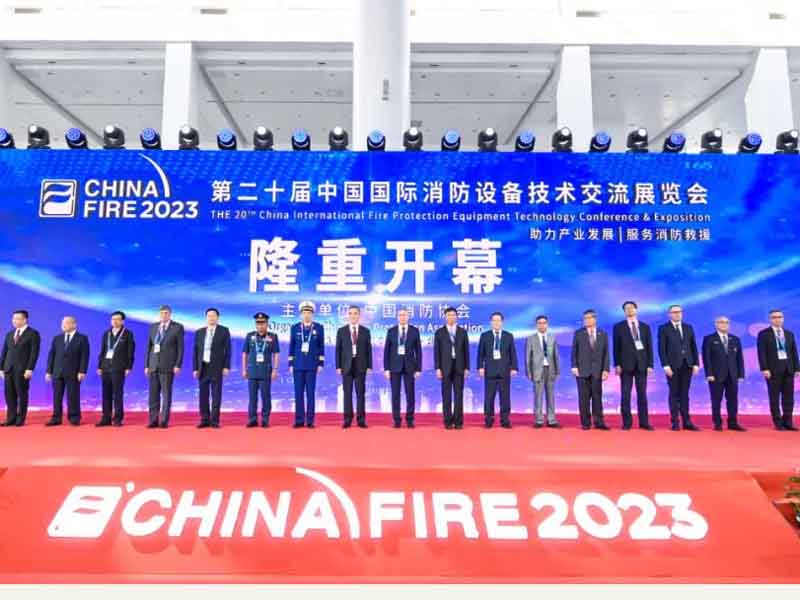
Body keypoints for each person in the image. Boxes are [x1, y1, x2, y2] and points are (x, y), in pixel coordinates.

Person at [612, 301, 654, 430]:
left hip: (642, 365)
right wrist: (617, 364)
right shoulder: (618, 327)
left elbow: (649, 347)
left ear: (636, 309)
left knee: (642, 395)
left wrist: (650, 364)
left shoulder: (645, 327)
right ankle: (627, 423)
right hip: (625, 366)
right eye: (626, 308)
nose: (629, 310)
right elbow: (616, 347)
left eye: (631, 308)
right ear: (624, 312)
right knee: (625, 395)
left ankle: (644, 422)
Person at [657, 304, 700, 431]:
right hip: (672, 366)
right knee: (674, 393)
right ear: (669, 314)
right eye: (674, 312)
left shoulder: (688, 327)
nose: (677, 314)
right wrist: (665, 366)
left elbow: (693, 346)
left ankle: (687, 421)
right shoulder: (664, 328)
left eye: (679, 312)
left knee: (685, 394)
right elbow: (662, 349)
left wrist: (696, 363)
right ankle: (675, 422)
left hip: (687, 365)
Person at [757, 309, 800, 431]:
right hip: (773, 370)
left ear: (783, 318)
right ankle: (778, 423)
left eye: (780, 317)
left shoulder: (789, 334)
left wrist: (797, 368)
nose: (777, 319)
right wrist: (764, 368)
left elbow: (794, 352)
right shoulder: (764, 334)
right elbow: (761, 353)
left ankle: (788, 422)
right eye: (774, 317)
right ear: (770, 319)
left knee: (789, 398)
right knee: (774, 397)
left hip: (788, 369)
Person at [702, 316, 746, 432]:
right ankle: (717, 423)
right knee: (716, 400)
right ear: (716, 324)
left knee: (733, 400)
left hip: (733, 375)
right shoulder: (709, 339)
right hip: (716, 375)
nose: (724, 324)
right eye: (721, 322)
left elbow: (739, 359)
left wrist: (741, 374)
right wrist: (709, 373)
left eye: (726, 322)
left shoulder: (735, 339)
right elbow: (706, 358)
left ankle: (733, 423)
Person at [45, 316, 89, 427]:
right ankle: (56, 418)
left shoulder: (82, 338)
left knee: (73, 396)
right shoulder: (57, 338)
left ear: (74, 325)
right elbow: (51, 355)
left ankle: (74, 417)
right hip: (57, 372)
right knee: (57, 397)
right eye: (63, 323)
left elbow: (84, 356)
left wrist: (82, 371)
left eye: (67, 323)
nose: (64, 325)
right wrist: (49, 371)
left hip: (74, 372)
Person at [145, 305, 184, 428]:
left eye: (166, 313)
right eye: (161, 313)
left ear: (170, 314)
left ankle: (163, 421)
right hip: (153, 365)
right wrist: (147, 365)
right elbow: (149, 347)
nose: (163, 315)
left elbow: (180, 348)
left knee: (166, 395)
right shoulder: (153, 327)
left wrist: (178, 364)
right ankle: (153, 420)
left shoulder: (177, 327)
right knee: (153, 396)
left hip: (168, 366)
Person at [477, 312, 519, 428]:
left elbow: (512, 353)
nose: (496, 322)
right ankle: (488, 419)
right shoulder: (485, 336)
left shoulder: (508, 336)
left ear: (502, 322)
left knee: (505, 397)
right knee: (489, 397)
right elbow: (480, 353)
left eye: (498, 320)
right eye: (494, 320)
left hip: (504, 371)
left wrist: (514, 367)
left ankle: (505, 420)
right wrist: (480, 367)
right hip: (489, 371)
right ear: (491, 322)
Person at [571, 309, 610, 430]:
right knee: (583, 398)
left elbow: (606, 353)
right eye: (585, 318)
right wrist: (574, 366)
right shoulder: (579, 333)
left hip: (597, 371)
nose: (587, 320)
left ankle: (599, 422)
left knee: (597, 398)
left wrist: (606, 369)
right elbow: (574, 351)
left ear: (595, 319)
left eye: (589, 318)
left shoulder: (602, 334)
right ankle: (585, 423)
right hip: (582, 371)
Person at [0, 310, 41, 427]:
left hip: (22, 370)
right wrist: (1, 368)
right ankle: (11, 418)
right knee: (9, 395)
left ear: (25, 319)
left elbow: (34, 353)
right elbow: (4, 352)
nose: (14, 321)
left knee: (22, 394)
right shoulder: (10, 334)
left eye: (17, 318)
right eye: (13, 318)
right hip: (8, 369)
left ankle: (20, 418)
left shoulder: (33, 334)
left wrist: (30, 368)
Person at [383, 308, 422, 428]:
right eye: (400, 315)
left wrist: (418, 368)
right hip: (394, 367)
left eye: (404, 315)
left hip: (410, 367)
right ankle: (396, 420)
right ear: (397, 317)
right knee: (395, 394)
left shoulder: (414, 331)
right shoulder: (391, 331)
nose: (402, 317)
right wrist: (386, 368)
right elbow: (386, 351)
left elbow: (418, 351)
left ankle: (410, 419)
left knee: (410, 394)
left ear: (408, 317)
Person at [193, 308, 231, 428]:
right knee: (203, 395)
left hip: (217, 367)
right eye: (209, 316)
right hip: (203, 367)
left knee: (216, 395)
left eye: (213, 315)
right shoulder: (199, 332)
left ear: (217, 318)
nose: (211, 318)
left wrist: (226, 366)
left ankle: (214, 421)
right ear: (206, 318)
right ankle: (204, 420)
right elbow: (195, 352)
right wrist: (195, 368)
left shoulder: (224, 331)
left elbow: (228, 350)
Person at [288, 301, 324, 428]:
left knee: (310, 394)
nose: (306, 315)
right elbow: (292, 346)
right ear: (301, 314)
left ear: (312, 314)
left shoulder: (319, 328)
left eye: (309, 312)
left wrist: (320, 363)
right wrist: (290, 363)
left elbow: (321, 346)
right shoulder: (295, 328)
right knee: (298, 394)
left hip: (312, 366)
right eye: (304, 312)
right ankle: (299, 420)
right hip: (298, 365)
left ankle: (310, 421)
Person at [96, 311, 135, 427]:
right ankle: (106, 418)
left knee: (117, 394)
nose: (115, 321)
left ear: (122, 321)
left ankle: (118, 418)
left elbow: (130, 352)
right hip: (106, 367)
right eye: (113, 319)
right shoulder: (106, 333)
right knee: (106, 393)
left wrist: (129, 367)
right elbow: (102, 351)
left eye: (117, 319)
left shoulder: (127, 334)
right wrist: (99, 366)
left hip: (119, 367)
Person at [336, 306, 372, 428]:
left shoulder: (365, 331)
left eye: (355, 313)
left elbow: (368, 350)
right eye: (350, 313)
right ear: (348, 315)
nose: (353, 315)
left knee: (360, 393)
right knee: (347, 393)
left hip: (361, 365)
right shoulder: (341, 331)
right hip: (346, 366)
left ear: (359, 315)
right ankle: (347, 419)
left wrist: (369, 366)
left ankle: (361, 419)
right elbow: (338, 350)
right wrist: (338, 366)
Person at [434, 306, 470, 429]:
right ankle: (448, 422)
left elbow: (466, 351)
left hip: (459, 367)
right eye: (449, 315)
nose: (451, 317)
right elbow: (437, 352)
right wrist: (437, 368)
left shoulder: (462, 332)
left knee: (459, 395)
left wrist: (467, 368)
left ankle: (459, 422)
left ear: (457, 317)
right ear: (445, 317)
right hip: (445, 368)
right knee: (446, 396)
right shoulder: (439, 332)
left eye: (453, 315)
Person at [243, 312, 280, 428]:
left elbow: (276, 354)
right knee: (252, 397)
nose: (260, 326)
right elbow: (245, 353)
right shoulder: (249, 336)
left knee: (266, 397)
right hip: (252, 371)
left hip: (265, 372)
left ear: (267, 324)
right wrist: (244, 369)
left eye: (263, 323)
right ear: (256, 324)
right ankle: (252, 419)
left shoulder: (273, 337)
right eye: (258, 323)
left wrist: (275, 369)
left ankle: (265, 419)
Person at [525, 314, 560, 428]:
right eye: (539, 323)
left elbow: (556, 355)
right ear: (536, 325)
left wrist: (557, 371)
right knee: (538, 396)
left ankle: (551, 420)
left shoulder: (552, 337)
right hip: (537, 371)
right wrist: (529, 372)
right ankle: (539, 420)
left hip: (550, 370)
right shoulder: (531, 338)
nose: (542, 325)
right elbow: (527, 357)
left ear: (547, 324)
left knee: (551, 396)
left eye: (544, 323)